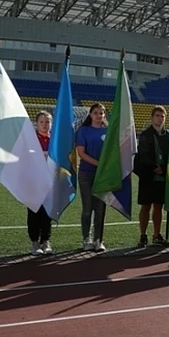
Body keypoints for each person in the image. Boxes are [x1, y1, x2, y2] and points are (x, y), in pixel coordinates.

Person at [135, 106, 169, 248]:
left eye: (162, 116)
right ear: (152, 117)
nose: (160, 118)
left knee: (158, 206)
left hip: (162, 176)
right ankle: (143, 236)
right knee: (145, 206)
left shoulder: (168, 136)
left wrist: (164, 168)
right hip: (148, 176)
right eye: (157, 115)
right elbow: (142, 155)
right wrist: (153, 167)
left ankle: (157, 235)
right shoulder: (145, 135)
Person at [75, 103, 108, 252]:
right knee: (87, 208)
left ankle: (98, 240)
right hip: (86, 174)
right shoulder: (83, 131)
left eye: (101, 113)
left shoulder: (109, 131)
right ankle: (86, 239)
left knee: (100, 209)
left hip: (103, 176)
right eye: (96, 113)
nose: (99, 115)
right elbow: (81, 153)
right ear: (90, 114)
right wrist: (98, 163)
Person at [28, 111, 54, 255]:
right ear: (36, 123)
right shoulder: (31, 139)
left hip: (50, 182)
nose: (45, 125)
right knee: (34, 211)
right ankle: (35, 242)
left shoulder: (55, 139)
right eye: (42, 122)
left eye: (47, 122)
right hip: (34, 181)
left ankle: (46, 240)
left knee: (47, 212)